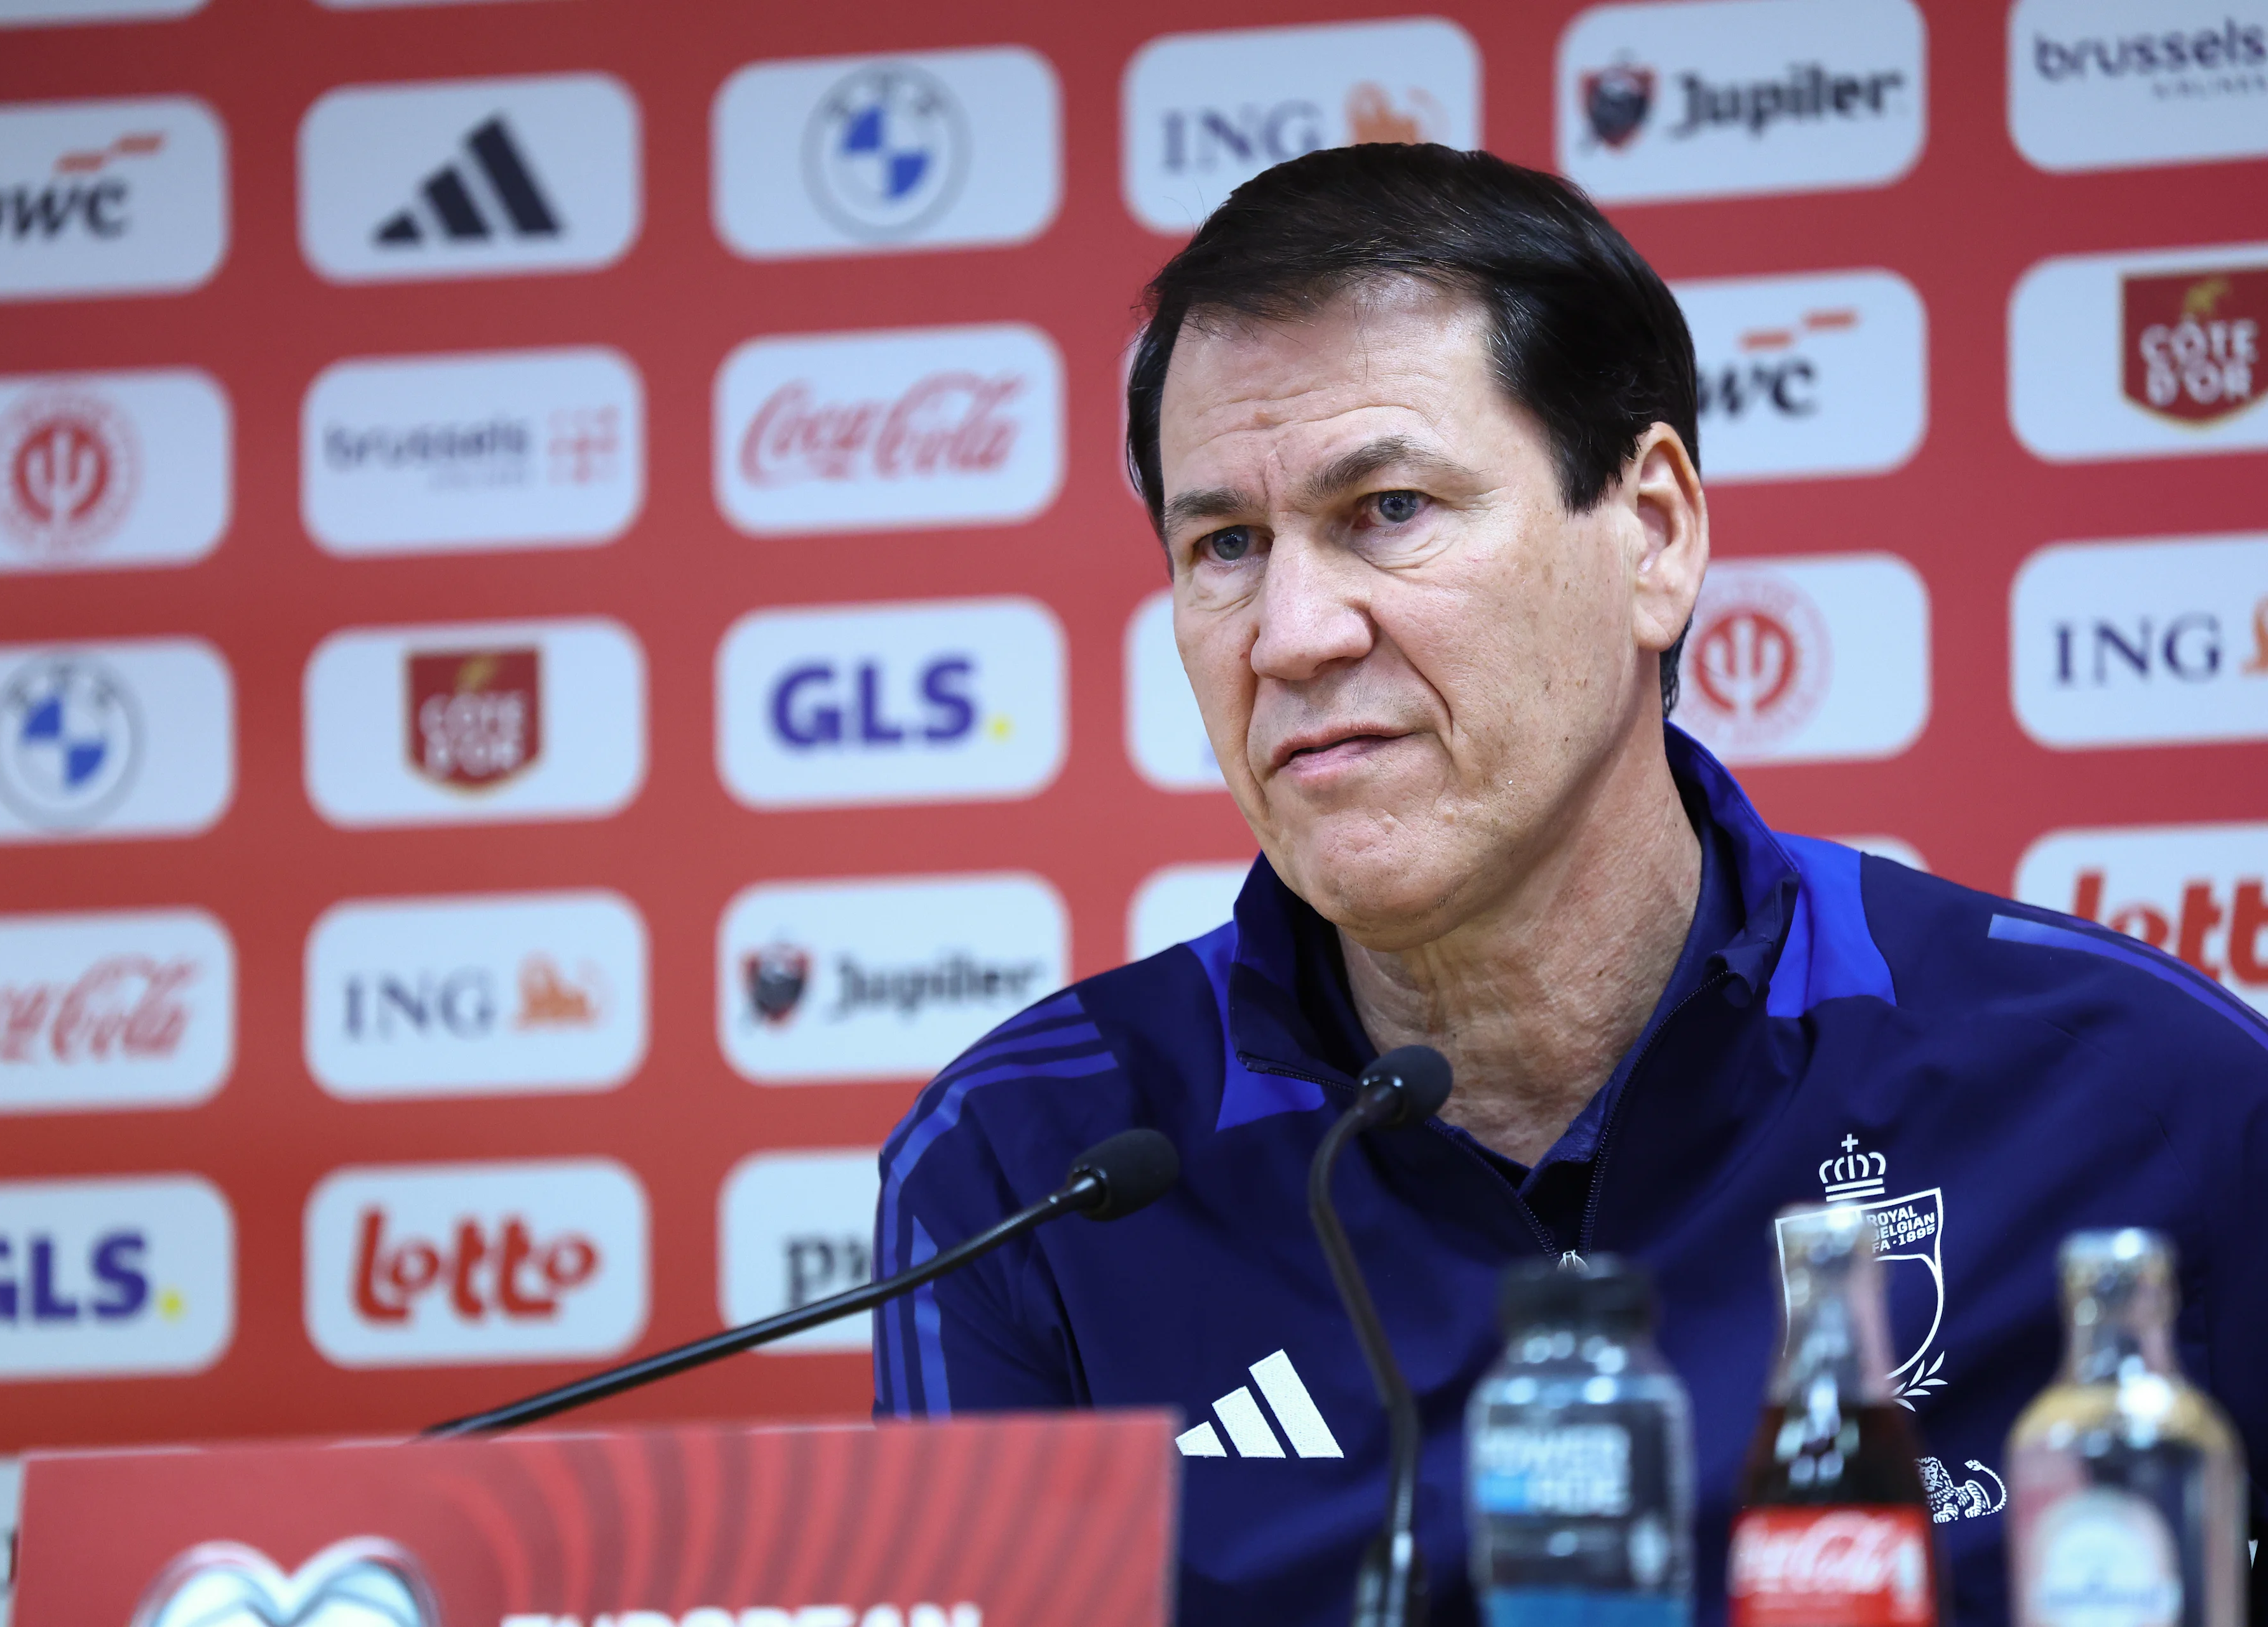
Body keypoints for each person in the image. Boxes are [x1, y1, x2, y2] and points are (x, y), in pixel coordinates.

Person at [870, 144, 2268, 1624]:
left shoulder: (2142, 1095)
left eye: (1390, 508)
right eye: (1224, 543)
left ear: (1655, 533)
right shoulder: (1024, 1173)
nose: (1290, 633)